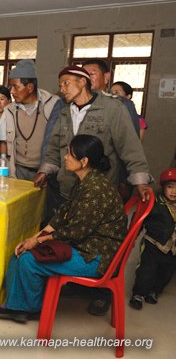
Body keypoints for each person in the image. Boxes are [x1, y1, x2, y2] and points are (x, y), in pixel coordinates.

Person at [34, 65, 153, 317]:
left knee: (99, 241)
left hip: (99, 192)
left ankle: (102, 292)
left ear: (83, 82)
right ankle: (74, 281)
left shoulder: (112, 109)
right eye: (61, 83)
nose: (62, 88)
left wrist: (140, 181)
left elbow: (130, 148)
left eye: (67, 83)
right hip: (70, 189)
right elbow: (56, 144)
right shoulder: (65, 111)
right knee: (77, 239)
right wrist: (46, 169)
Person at [0, 135, 127, 322]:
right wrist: (38, 235)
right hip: (86, 245)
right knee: (20, 252)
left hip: (95, 257)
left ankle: (26, 308)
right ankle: (14, 304)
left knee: (29, 259)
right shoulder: (88, 181)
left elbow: (74, 232)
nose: (65, 157)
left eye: (70, 154)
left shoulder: (95, 189)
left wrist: (37, 241)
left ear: (84, 161)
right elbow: (64, 213)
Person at [0, 59, 58, 180]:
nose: (11, 91)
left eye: (15, 87)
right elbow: (3, 140)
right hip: (17, 170)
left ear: (30, 87)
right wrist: (3, 160)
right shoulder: (9, 111)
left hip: (43, 171)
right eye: (11, 86)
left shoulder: (51, 105)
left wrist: (45, 170)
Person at [129, 168, 176, 310]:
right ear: (162, 187)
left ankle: (154, 292)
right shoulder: (154, 203)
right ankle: (138, 294)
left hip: (172, 248)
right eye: (170, 187)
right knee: (146, 271)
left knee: (166, 273)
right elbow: (139, 219)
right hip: (153, 244)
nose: (174, 191)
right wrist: (131, 236)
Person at [82, 59, 140, 136]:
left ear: (106, 77)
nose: (87, 78)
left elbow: (131, 140)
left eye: (92, 74)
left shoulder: (123, 104)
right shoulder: (67, 103)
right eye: (83, 75)